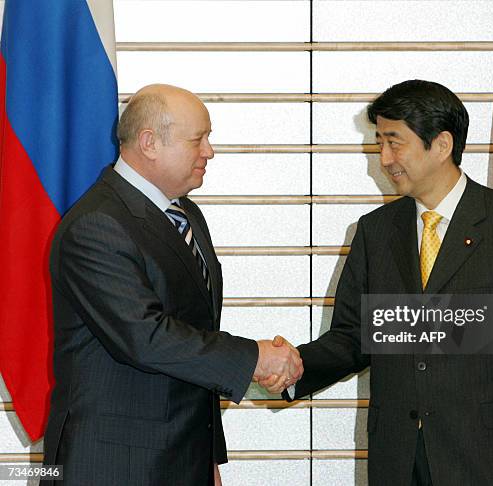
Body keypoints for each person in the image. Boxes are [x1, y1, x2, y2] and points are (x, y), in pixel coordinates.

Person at [262, 80, 493, 486]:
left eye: (395, 142)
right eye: (379, 142)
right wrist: (295, 368)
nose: (384, 158)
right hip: (399, 456)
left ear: (442, 145)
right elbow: (355, 336)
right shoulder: (376, 232)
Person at [42, 84, 303, 486]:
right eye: (198, 139)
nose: (209, 151)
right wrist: (254, 358)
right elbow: (146, 336)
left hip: (180, 459)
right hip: (113, 466)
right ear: (149, 143)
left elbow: (197, 335)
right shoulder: (96, 226)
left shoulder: (186, 215)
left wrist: (207, 457)